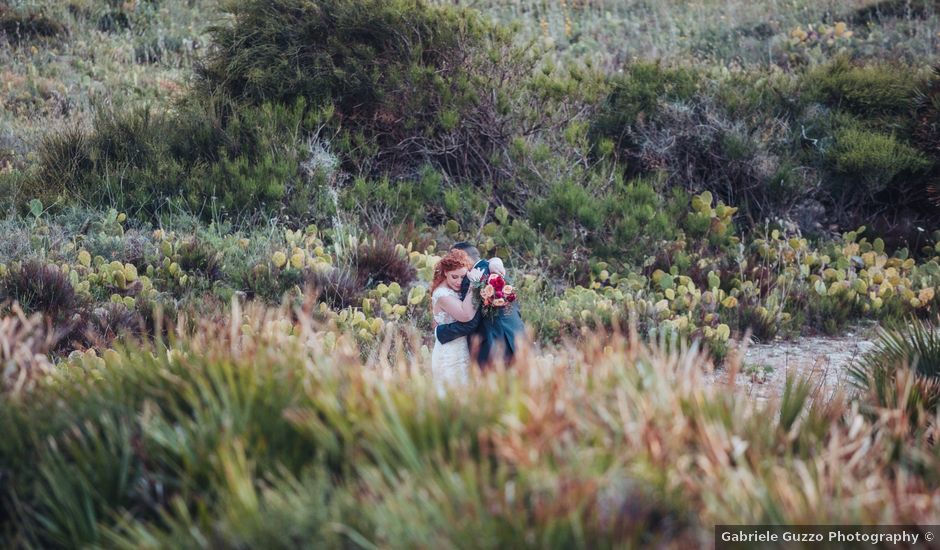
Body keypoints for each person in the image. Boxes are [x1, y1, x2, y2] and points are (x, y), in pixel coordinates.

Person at [434, 242, 525, 369]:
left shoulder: (471, 279)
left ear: (462, 257)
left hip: (494, 347)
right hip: (518, 338)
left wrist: (441, 331)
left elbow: (470, 321)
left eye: (455, 257)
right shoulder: (499, 271)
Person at [430, 249, 482, 393]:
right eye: (454, 277)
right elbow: (466, 315)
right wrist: (474, 284)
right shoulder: (442, 294)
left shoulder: (454, 288)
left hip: (462, 350)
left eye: (463, 277)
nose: (459, 282)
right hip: (449, 354)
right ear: (445, 272)